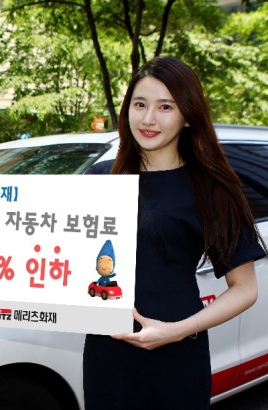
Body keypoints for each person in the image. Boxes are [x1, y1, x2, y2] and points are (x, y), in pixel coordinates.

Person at [83, 56, 266, 410]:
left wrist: (176, 331)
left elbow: (245, 289)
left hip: (178, 353)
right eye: (140, 104)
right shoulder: (100, 178)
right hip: (107, 355)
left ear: (188, 116)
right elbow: (55, 259)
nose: (149, 118)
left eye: (165, 107)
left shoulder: (212, 188)